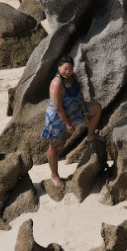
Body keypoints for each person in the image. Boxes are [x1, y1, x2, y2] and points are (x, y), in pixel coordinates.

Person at [40, 55, 101, 187]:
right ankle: (54, 175)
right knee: (54, 145)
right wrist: (68, 124)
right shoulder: (56, 83)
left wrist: (85, 114)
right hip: (58, 117)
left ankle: (90, 135)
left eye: (70, 68)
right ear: (59, 68)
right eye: (65, 68)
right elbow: (58, 107)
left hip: (75, 110)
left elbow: (80, 96)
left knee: (96, 109)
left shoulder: (74, 78)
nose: (67, 71)